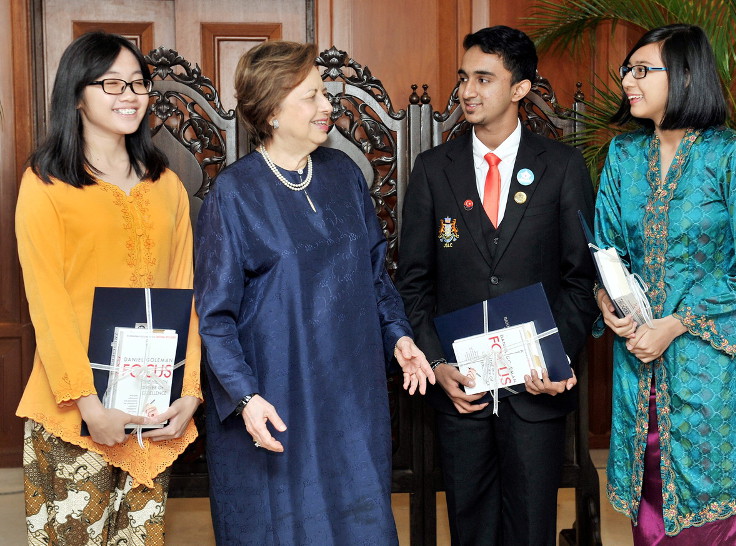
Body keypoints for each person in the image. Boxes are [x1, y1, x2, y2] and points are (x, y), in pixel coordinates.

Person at [193, 40, 435, 545]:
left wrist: (399, 339)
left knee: (359, 524)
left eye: (324, 93)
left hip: (351, 394)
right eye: (312, 96)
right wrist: (244, 397)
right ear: (271, 111)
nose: (328, 106)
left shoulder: (344, 175)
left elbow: (374, 276)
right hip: (275, 397)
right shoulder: (234, 194)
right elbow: (214, 316)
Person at [396, 25, 597, 545]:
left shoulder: (562, 167)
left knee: (532, 528)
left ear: (520, 88)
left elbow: (580, 281)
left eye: (484, 78)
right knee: (469, 528)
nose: (467, 91)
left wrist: (554, 357)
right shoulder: (433, 170)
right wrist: (438, 364)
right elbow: (413, 281)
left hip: (536, 392)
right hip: (460, 393)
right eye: (464, 77)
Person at [594, 24, 736, 544]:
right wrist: (606, 299)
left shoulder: (729, 155)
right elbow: (607, 253)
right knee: (649, 510)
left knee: (711, 522)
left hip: (708, 376)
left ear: (686, 75)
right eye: (627, 70)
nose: (628, 81)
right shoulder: (623, 158)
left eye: (641, 70)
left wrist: (676, 324)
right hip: (638, 366)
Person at [15, 32, 203, 544]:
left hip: (151, 409)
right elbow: (47, 302)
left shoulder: (166, 185)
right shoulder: (45, 183)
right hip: (73, 413)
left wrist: (189, 393)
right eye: (112, 83)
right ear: (77, 94)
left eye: (139, 84)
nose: (130, 95)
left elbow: (184, 295)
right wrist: (88, 405)